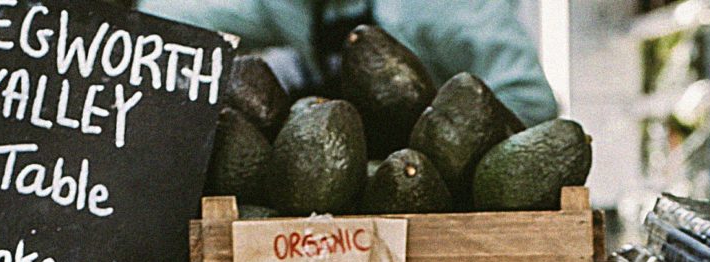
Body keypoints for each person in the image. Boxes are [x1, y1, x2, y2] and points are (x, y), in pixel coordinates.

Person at [146, 0, 557, 125]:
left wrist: (450, 146)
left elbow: (532, 100)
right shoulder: (293, 7)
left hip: (451, 211)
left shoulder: (443, 10)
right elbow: (170, 14)